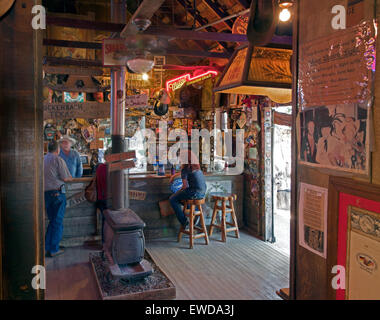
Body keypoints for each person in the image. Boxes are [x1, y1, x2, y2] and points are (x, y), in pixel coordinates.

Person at [44, 140, 72, 257]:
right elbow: (66, 178)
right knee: (57, 222)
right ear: (58, 149)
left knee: (52, 221)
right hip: (57, 194)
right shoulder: (58, 160)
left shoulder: (42, 159)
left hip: (46, 194)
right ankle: (54, 249)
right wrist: (70, 178)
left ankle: (48, 247)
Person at [169, 150, 207, 229]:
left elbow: (185, 186)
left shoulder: (185, 169)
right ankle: (196, 211)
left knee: (172, 199)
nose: (179, 159)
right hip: (202, 193)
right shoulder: (196, 166)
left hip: (194, 193)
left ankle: (184, 222)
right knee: (182, 198)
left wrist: (177, 192)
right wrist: (176, 174)